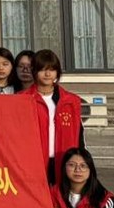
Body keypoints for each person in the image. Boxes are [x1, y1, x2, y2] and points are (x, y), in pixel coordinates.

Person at [24, 49, 84, 186]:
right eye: (42, 69)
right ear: (34, 71)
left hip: (64, 160)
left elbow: (79, 134)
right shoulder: (22, 99)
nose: (47, 74)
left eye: (52, 69)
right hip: (34, 161)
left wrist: (80, 158)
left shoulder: (71, 100)